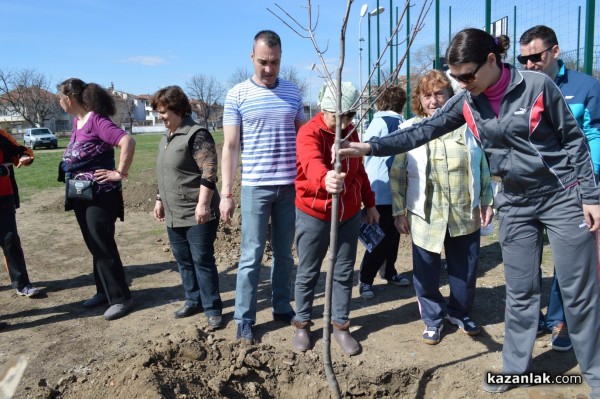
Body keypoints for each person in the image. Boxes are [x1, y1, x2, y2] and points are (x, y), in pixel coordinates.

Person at [339, 29, 600, 398]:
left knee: (578, 290)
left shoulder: (538, 85)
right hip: (514, 200)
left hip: (561, 195)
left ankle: (596, 373)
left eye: (466, 76)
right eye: (454, 77)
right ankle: (515, 368)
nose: (460, 83)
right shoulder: (467, 101)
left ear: (492, 61)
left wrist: (591, 196)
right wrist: (369, 147)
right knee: (522, 290)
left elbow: (574, 140)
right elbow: (424, 130)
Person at [389, 70, 493, 345]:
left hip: (463, 212)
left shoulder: (469, 127)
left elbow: (483, 167)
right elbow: (398, 173)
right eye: (428, 95)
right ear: (419, 100)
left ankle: (460, 312)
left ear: (451, 97)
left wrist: (486, 201)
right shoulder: (409, 130)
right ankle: (433, 319)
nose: (434, 101)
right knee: (426, 272)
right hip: (426, 215)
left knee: (465, 269)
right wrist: (399, 211)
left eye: (439, 94)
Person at [519, 24, 600, 352]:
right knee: (525, 258)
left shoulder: (585, 87)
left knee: (571, 259)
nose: (528, 65)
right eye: (522, 59)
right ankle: (532, 318)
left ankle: (560, 319)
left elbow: (592, 137)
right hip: (527, 189)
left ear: (555, 51)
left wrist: (587, 184)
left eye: (535, 57)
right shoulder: (521, 87)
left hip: (572, 188)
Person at [220, 30, 305, 342]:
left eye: (275, 62)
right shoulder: (237, 95)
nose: (269, 69)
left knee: (284, 253)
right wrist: (226, 193)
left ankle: (282, 306)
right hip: (255, 187)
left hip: (289, 187)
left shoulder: (294, 93)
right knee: (251, 255)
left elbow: (304, 138)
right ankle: (244, 317)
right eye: (263, 62)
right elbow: (230, 147)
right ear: (251, 57)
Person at [292, 82, 378, 355]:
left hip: (348, 214)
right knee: (308, 272)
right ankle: (303, 325)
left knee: (343, 272)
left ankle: (341, 326)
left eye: (348, 116)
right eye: (336, 116)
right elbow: (310, 161)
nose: (342, 123)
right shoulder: (309, 132)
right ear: (322, 108)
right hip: (313, 213)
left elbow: (360, 172)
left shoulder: (351, 132)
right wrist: (325, 177)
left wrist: (370, 203)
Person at [58, 78, 135, 321]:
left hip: (101, 195)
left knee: (103, 245)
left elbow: (127, 141)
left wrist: (119, 173)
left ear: (69, 98)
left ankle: (121, 298)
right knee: (94, 245)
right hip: (82, 194)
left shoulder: (96, 120)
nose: (59, 101)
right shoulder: (77, 122)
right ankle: (103, 291)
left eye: (60, 97)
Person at [151, 86, 223, 330]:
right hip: (174, 213)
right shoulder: (167, 136)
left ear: (178, 109)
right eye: (158, 112)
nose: (160, 116)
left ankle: (213, 308)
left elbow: (210, 171)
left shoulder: (197, 134)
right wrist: (160, 199)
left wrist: (203, 204)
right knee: (183, 260)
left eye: (163, 112)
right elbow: (166, 172)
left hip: (197, 213)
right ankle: (193, 300)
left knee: (202, 260)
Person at [357, 84, 410, 300]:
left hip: (380, 188)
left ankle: (388, 271)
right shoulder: (389, 122)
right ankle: (366, 279)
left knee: (389, 235)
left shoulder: (386, 122)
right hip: (386, 190)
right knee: (383, 236)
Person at [0, 130, 40, 298]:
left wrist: (25, 157)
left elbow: (21, 150)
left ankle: (22, 283)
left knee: (10, 240)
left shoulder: (1, 135)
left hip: (4, 196)